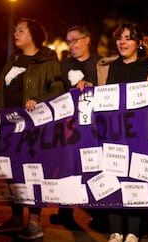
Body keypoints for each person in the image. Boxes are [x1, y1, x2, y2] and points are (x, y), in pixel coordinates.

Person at [0, 18, 65, 239]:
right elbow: (0, 94)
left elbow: (58, 89)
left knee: (32, 173)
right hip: (7, 127)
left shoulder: (46, 59)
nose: (16, 34)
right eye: (15, 30)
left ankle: (34, 222)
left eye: (21, 30)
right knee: (11, 173)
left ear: (33, 35)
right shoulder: (12, 59)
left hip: (32, 127)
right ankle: (16, 219)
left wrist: (38, 100)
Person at [97, 22, 148, 242]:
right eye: (119, 38)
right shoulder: (106, 68)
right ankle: (115, 233)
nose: (123, 42)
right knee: (113, 181)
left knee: (137, 182)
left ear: (139, 43)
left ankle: (133, 236)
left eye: (128, 38)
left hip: (140, 137)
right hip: (112, 135)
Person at [50, 25, 102, 230]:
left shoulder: (100, 64)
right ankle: (65, 212)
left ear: (87, 39)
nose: (71, 45)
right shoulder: (63, 66)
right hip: (69, 126)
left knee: (93, 167)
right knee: (67, 167)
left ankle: (98, 214)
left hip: (95, 126)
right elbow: (55, 90)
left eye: (75, 40)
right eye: (69, 41)